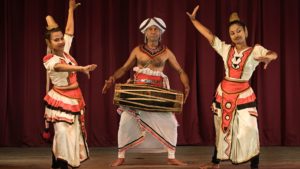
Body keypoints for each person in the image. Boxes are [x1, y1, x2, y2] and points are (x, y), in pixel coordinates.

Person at [187, 5, 277, 169]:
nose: (236, 35)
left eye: (239, 31)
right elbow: (209, 36)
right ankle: (216, 163)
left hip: (243, 94)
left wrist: (268, 57)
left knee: (250, 129)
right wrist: (194, 21)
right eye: (232, 33)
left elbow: (272, 53)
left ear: (246, 31)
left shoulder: (255, 51)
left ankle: (254, 165)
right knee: (221, 127)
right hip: (224, 93)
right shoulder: (226, 49)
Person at [102, 17, 190, 167]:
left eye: (156, 29)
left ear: (161, 32)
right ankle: (121, 156)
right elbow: (124, 68)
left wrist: (186, 86)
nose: (153, 31)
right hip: (138, 91)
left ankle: (171, 156)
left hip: (158, 92)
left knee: (170, 122)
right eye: (150, 29)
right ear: (145, 32)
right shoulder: (137, 50)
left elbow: (180, 70)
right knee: (125, 121)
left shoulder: (167, 52)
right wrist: (111, 78)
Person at [42, 0, 97, 168]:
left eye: (60, 39)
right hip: (60, 99)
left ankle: (61, 161)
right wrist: (81, 68)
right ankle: (61, 162)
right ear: (49, 43)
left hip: (73, 98)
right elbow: (59, 68)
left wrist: (70, 10)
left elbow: (69, 32)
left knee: (72, 133)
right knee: (62, 133)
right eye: (56, 40)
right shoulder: (50, 59)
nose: (61, 41)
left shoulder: (65, 54)